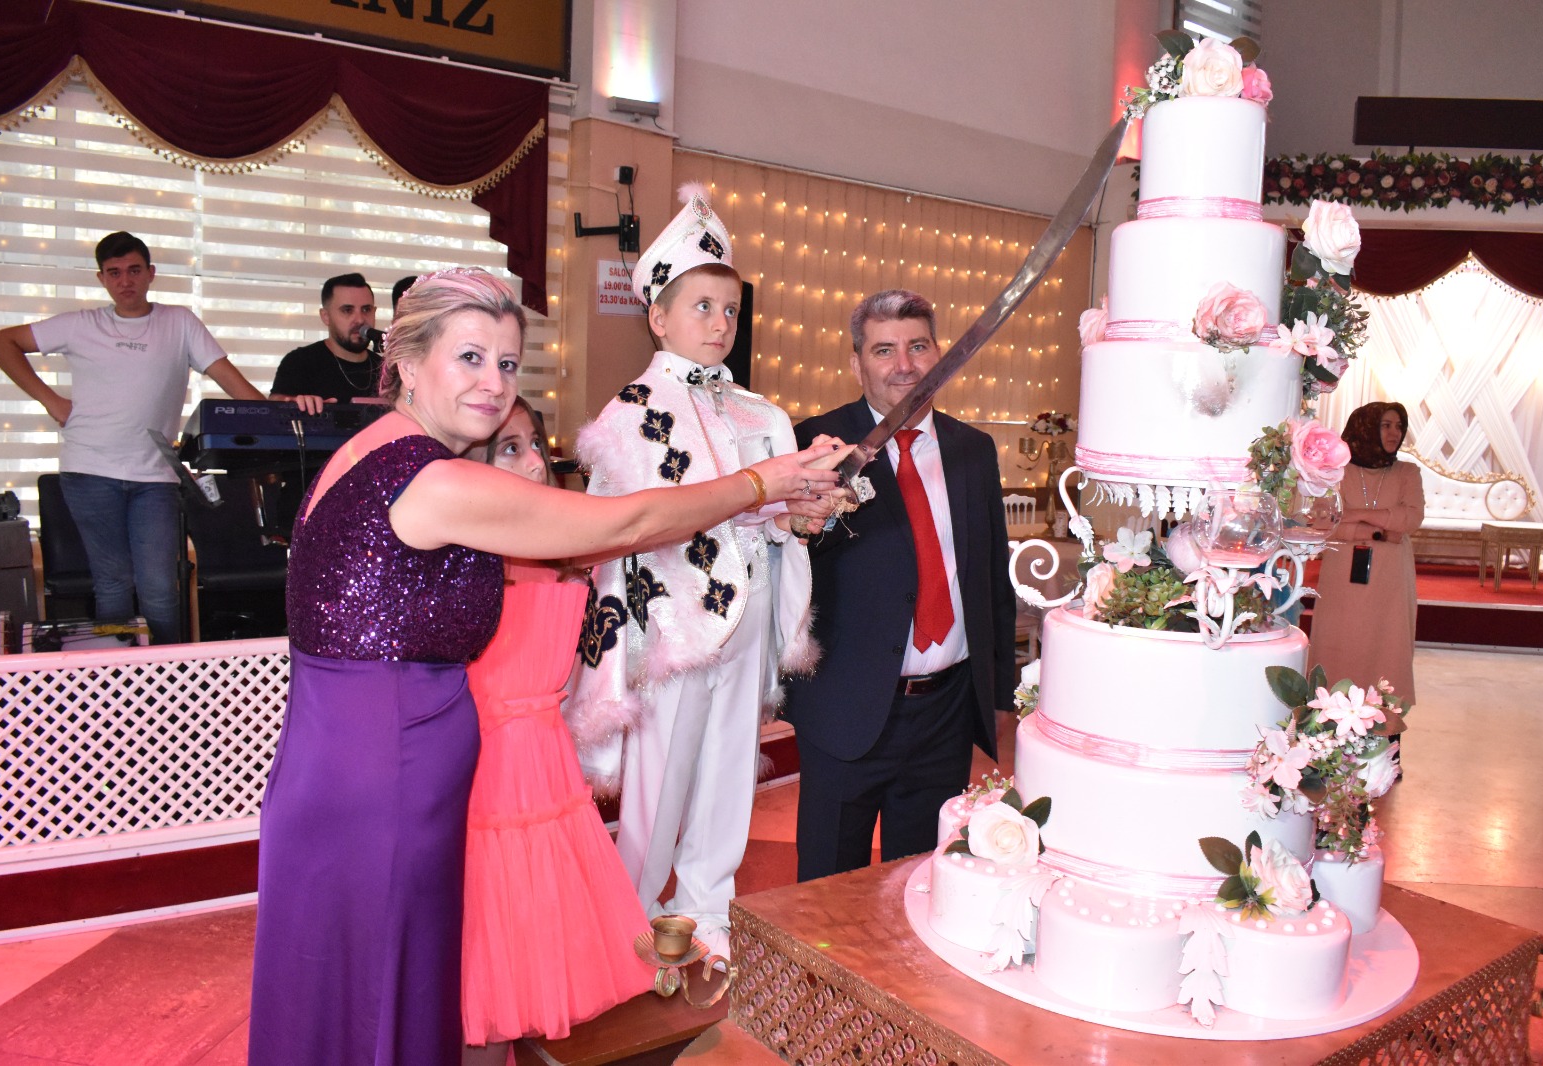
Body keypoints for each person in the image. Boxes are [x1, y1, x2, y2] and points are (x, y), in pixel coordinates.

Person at [246, 267, 842, 1066]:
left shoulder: (371, 450)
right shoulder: (429, 478)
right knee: (382, 985)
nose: (494, 384)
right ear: (407, 362)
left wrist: (767, 507)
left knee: (364, 990)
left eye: (505, 363)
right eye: (469, 358)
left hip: (346, 757)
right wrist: (758, 482)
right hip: (384, 773)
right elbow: (621, 523)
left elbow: (578, 547)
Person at [566, 184, 831, 964]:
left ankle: (708, 905)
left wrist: (800, 515)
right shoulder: (627, 413)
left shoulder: (762, 413)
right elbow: (612, 530)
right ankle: (631, 911)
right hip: (670, 622)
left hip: (749, 608)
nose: (719, 324)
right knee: (661, 780)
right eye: (702, 307)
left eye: (730, 310)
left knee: (727, 771)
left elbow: (778, 516)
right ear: (659, 316)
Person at [784, 289, 1017, 882]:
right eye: (884, 350)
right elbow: (789, 562)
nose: (905, 366)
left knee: (919, 885)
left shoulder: (973, 450)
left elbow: (990, 579)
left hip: (945, 715)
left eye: (918, 347)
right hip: (845, 707)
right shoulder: (816, 445)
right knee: (826, 891)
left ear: (940, 355)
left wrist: (998, 696)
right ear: (857, 362)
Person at [458, 398, 652, 1062]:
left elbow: (647, 523)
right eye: (510, 448)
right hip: (479, 768)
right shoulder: (455, 556)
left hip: (545, 761)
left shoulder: (567, 542)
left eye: (536, 444)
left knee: (536, 944)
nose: (536, 462)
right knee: (484, 965)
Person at [0, 231, 268, 644]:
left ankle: (165, 677)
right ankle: (118, 679)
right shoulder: (80, 324)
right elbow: (1, 341)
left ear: (150, 273)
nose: (125, 281)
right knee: (113, 584)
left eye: (134, 270)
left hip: (154, 479)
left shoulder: (179, 322)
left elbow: (233, 383)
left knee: (160, 589)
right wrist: (51, 401)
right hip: (89, 472)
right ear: (101, 278)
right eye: (114, 272)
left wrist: (277, 415)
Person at [1307, 401, 1424, 706]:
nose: (1394, 433)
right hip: (1342, 576)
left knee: (1388, 644)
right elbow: (1323, 522)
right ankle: (1330, 718)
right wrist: (1377, 531)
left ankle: (1384, 722)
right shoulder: (1336, 473)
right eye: (1386, 425)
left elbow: (1411, 519)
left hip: (1390, 578)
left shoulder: (1407, 472)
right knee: (1340, 641)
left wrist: (1352, 515)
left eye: (1399, 426)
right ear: (1366, 427)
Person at [270, 272, 382, 403]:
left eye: (366, 310)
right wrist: (295, 405)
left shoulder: (388, 369)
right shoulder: (299, 362)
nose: (360, 320)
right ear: (326, 316)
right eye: (347, 310)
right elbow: (274, 405)